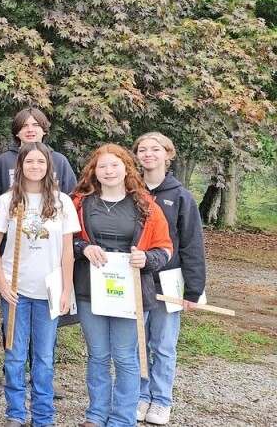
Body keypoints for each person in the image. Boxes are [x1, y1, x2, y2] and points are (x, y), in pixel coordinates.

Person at [71, 144, 173, 427]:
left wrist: (147, 258)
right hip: (90, 290)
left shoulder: (146, 206)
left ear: (126, 169)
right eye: (102, 166)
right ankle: (96, 415)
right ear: (94, 172)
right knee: (98, 355)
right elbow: (67, 239)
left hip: (131, 293)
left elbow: (165, 248)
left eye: (115, 165)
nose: (109, 171)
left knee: (126, 357)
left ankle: (122, 418)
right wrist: (83, 247)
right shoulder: (80, 203)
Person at [0, 142, 79, 427]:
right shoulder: (8, 201)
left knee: (44, 357)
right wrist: (2, 283)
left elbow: (67, 251)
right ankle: (15, 413)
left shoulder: (62, 202)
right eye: (29, 161)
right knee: (14, 355)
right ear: (20, 166)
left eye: (40, 161)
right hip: (16, 289)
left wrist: (67, 290)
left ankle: (42, 415)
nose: (35, 166)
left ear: (48, 165)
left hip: (48, 290)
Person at [133, 132, 206, 426]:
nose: (148, 154)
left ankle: (161, 400)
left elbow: (192, 245)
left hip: (167, 285)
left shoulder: (181, 197)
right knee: (136, 343)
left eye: (155, 149)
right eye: (142, 149)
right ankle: (140, 396)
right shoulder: (129, 192)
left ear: (168, 154)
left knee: (163, 345)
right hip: (134, 283)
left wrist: (194, 289)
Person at [0, 107, 77, 195]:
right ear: (17, 132)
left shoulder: (59, 160)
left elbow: (72, 196)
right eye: (24, 126)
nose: (30, 130)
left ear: (44, 130)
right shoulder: (4, 161)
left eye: (35, 125)